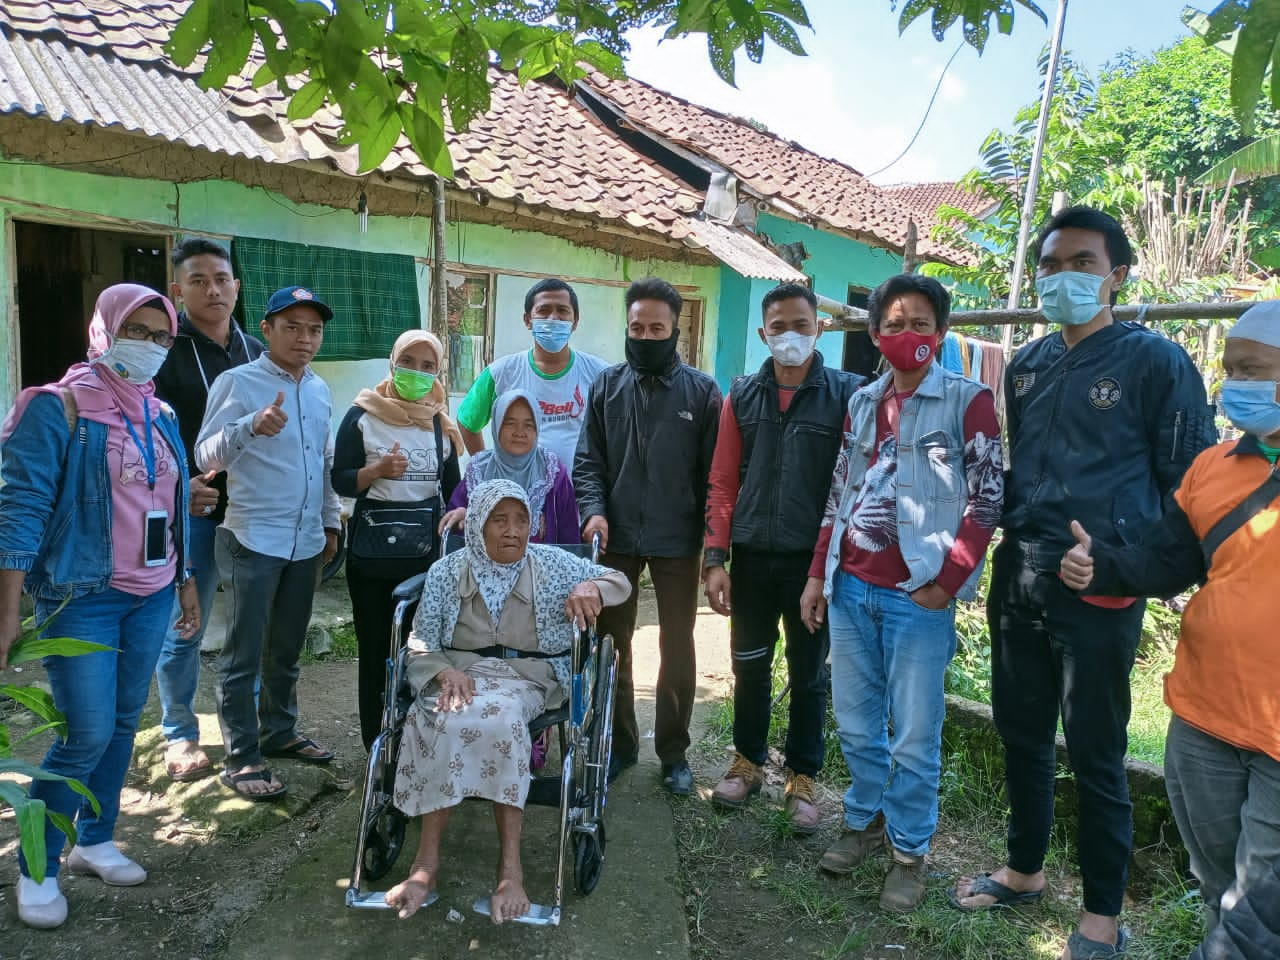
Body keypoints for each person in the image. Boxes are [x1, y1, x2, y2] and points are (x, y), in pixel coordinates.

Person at [951, 207, 1217, 960]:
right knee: (1022, 735)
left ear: (1117, 276)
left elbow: (1188, 495)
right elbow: (1019, 470)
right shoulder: (1028, 364)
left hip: (1099, 590)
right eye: (1050, 262)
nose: (1060, 276)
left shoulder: (1157, 364)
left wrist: (1119, 564)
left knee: (1095, 750)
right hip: (1021, 575)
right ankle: (1024, 870)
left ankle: (1103, 914)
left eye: (1080, 262)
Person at [1060, 302, 1280, 936]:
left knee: (1256, 915)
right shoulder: (1213, 468)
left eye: (1253, 370)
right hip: (1204, 717)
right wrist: (1098, 565)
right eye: (1231, 369)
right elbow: (1168, 561)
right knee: (1219, 890)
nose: (1235, 384)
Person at [796, 274, 1003, 910]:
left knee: (915, 733)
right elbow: (839, 490)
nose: (905, 333)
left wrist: (948, 584)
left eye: (919, 323)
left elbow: (989, 497)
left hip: (917, 596)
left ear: (940, 334)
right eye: (893, 322)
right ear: (876, 332)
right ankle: (863, 821)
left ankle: (909, 851)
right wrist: (816, 575)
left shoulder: (969, 401)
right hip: (850, 585)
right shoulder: (862, 402)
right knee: (857, 724)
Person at [0, 284, 199, 929]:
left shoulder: (161, 413)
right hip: (80, 596)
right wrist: (7, 612)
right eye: (135, 331)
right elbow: (19, 515)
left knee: (119, 723)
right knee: (82, 732)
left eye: (160, 336)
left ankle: (95, 838)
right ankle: (38, 864)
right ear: (103, 328)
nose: (148, 346)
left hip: (152, 595)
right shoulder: (54, 408)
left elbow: (174, 504)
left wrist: (186, 577)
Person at [382, 480, 630, 923]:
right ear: (478, 525)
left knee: (501, 720)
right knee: (437, 717)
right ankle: (425, 866)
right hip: (459, 672)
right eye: (500, 520)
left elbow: (620, 581)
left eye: (521, 520)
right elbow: (419, 640)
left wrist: (592, 587)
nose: (513, 531)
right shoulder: (448, 571)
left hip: (529, 676)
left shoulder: (553, 564)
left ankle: (509, 872)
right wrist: (443, 671)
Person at [704, 283, 862, 833]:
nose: (790, 336)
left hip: (811, 565)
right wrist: (715, 558)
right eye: (779, 327)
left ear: (820, 327)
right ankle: (746, 762)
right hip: (750, 556)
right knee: (749, 665)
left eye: (801, 324)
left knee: (809, 672)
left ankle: (802, 777)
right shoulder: (742, 395)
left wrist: (827, 565)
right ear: (762, 333)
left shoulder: (848, 394)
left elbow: (853, 486)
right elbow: (723, 481)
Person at [575, 277, 721, 796]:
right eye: (636, 327)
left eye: (656, 327)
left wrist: (712, 548)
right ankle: (620, 744)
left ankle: (673, 752)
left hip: (678, 539)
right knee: (612, 642)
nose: (645, 335)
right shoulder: (606, 386)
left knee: (676, 644)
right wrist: (593, 510)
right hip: (615, 538)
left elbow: (715, 476)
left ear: (675, 329)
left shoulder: (702, 393)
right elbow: (588, 461)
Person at [196, 285, 342, 801]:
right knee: (242, 655)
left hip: (304, 543)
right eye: (293, 327)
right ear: (267, 329)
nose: (305, 339)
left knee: (285, 650)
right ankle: (240, 756)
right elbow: (203, 454)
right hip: (253, 539)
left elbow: (322, 466)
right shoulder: (238, 382)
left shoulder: (320, 391)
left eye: (314, 330)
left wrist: (331, 523)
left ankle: (278, 731)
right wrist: (249, 426)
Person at [152, 237, 263, 783]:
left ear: (236, 287)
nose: (213, 289)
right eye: (198, 280)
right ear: (178, 291)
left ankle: (248, 724)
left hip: (251, 512)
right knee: (185, 624)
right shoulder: (163, 353)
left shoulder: (256, 352)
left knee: (251, 624)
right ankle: (179, 733)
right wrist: (179, 484)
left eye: (221, 279)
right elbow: (146, 434)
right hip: (190, 511)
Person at [332, 329, 463, 751]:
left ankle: (416, 739)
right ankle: (377, 742)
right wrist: (376, 472)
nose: (418, 373)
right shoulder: (362, 416)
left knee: (421, 653)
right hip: (371, 559)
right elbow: (340, 480)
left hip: (423, 561)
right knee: (375, 651)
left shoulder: (440, 424)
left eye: (428, 366)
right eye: (409, 362)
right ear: (393, 363)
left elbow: (452, 490)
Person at [456, 278, 609, 474]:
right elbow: (468, 421)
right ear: (528, 320)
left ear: (575, 322)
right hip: (517, 499)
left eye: (562, 311)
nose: (553, 318)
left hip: (578, 497)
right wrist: (487, 470)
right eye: (544, 311)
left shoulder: (600, 374)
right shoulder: (500, 373)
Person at [441, 389, 580, 545]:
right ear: (497, 426)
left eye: (528, 425)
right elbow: (456, 529)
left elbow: (570, 538)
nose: (519, 432)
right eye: (510, 423)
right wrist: (466, 515)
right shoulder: (479, 470)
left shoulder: (552, 473)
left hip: (542, 568)